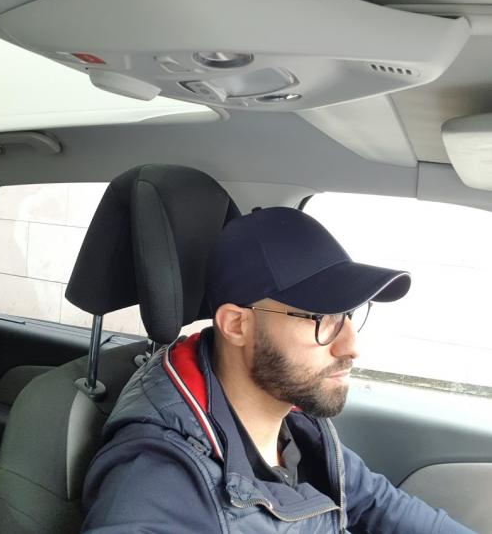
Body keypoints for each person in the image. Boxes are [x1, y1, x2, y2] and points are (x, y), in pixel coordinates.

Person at [82, 207, 475, 533]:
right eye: (321, 317)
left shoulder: (297, 420)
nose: (351, 346)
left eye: (349, 314)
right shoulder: (161, 480)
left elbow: (377, 503)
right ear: (237, 325)